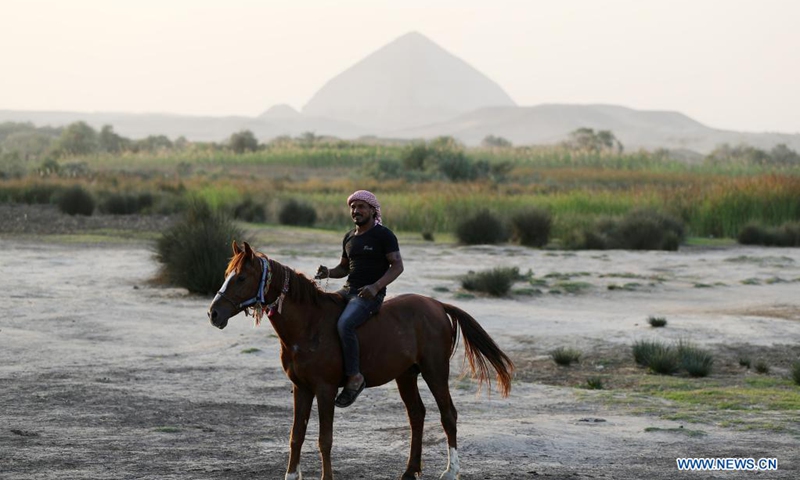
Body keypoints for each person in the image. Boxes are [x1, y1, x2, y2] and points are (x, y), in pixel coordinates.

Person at [316, 190, 404, 408]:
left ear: (373, 210)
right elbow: (344, 269)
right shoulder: (348, 237)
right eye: (353, 207)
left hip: (370, 295)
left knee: (345, 324)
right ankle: (317, 371)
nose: (356, 211)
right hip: (348, 290)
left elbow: (397, 266)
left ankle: (355, 377)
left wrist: (375, 287)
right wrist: (328, 272)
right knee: (319, 312)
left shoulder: (384, 235)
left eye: (361, 206)